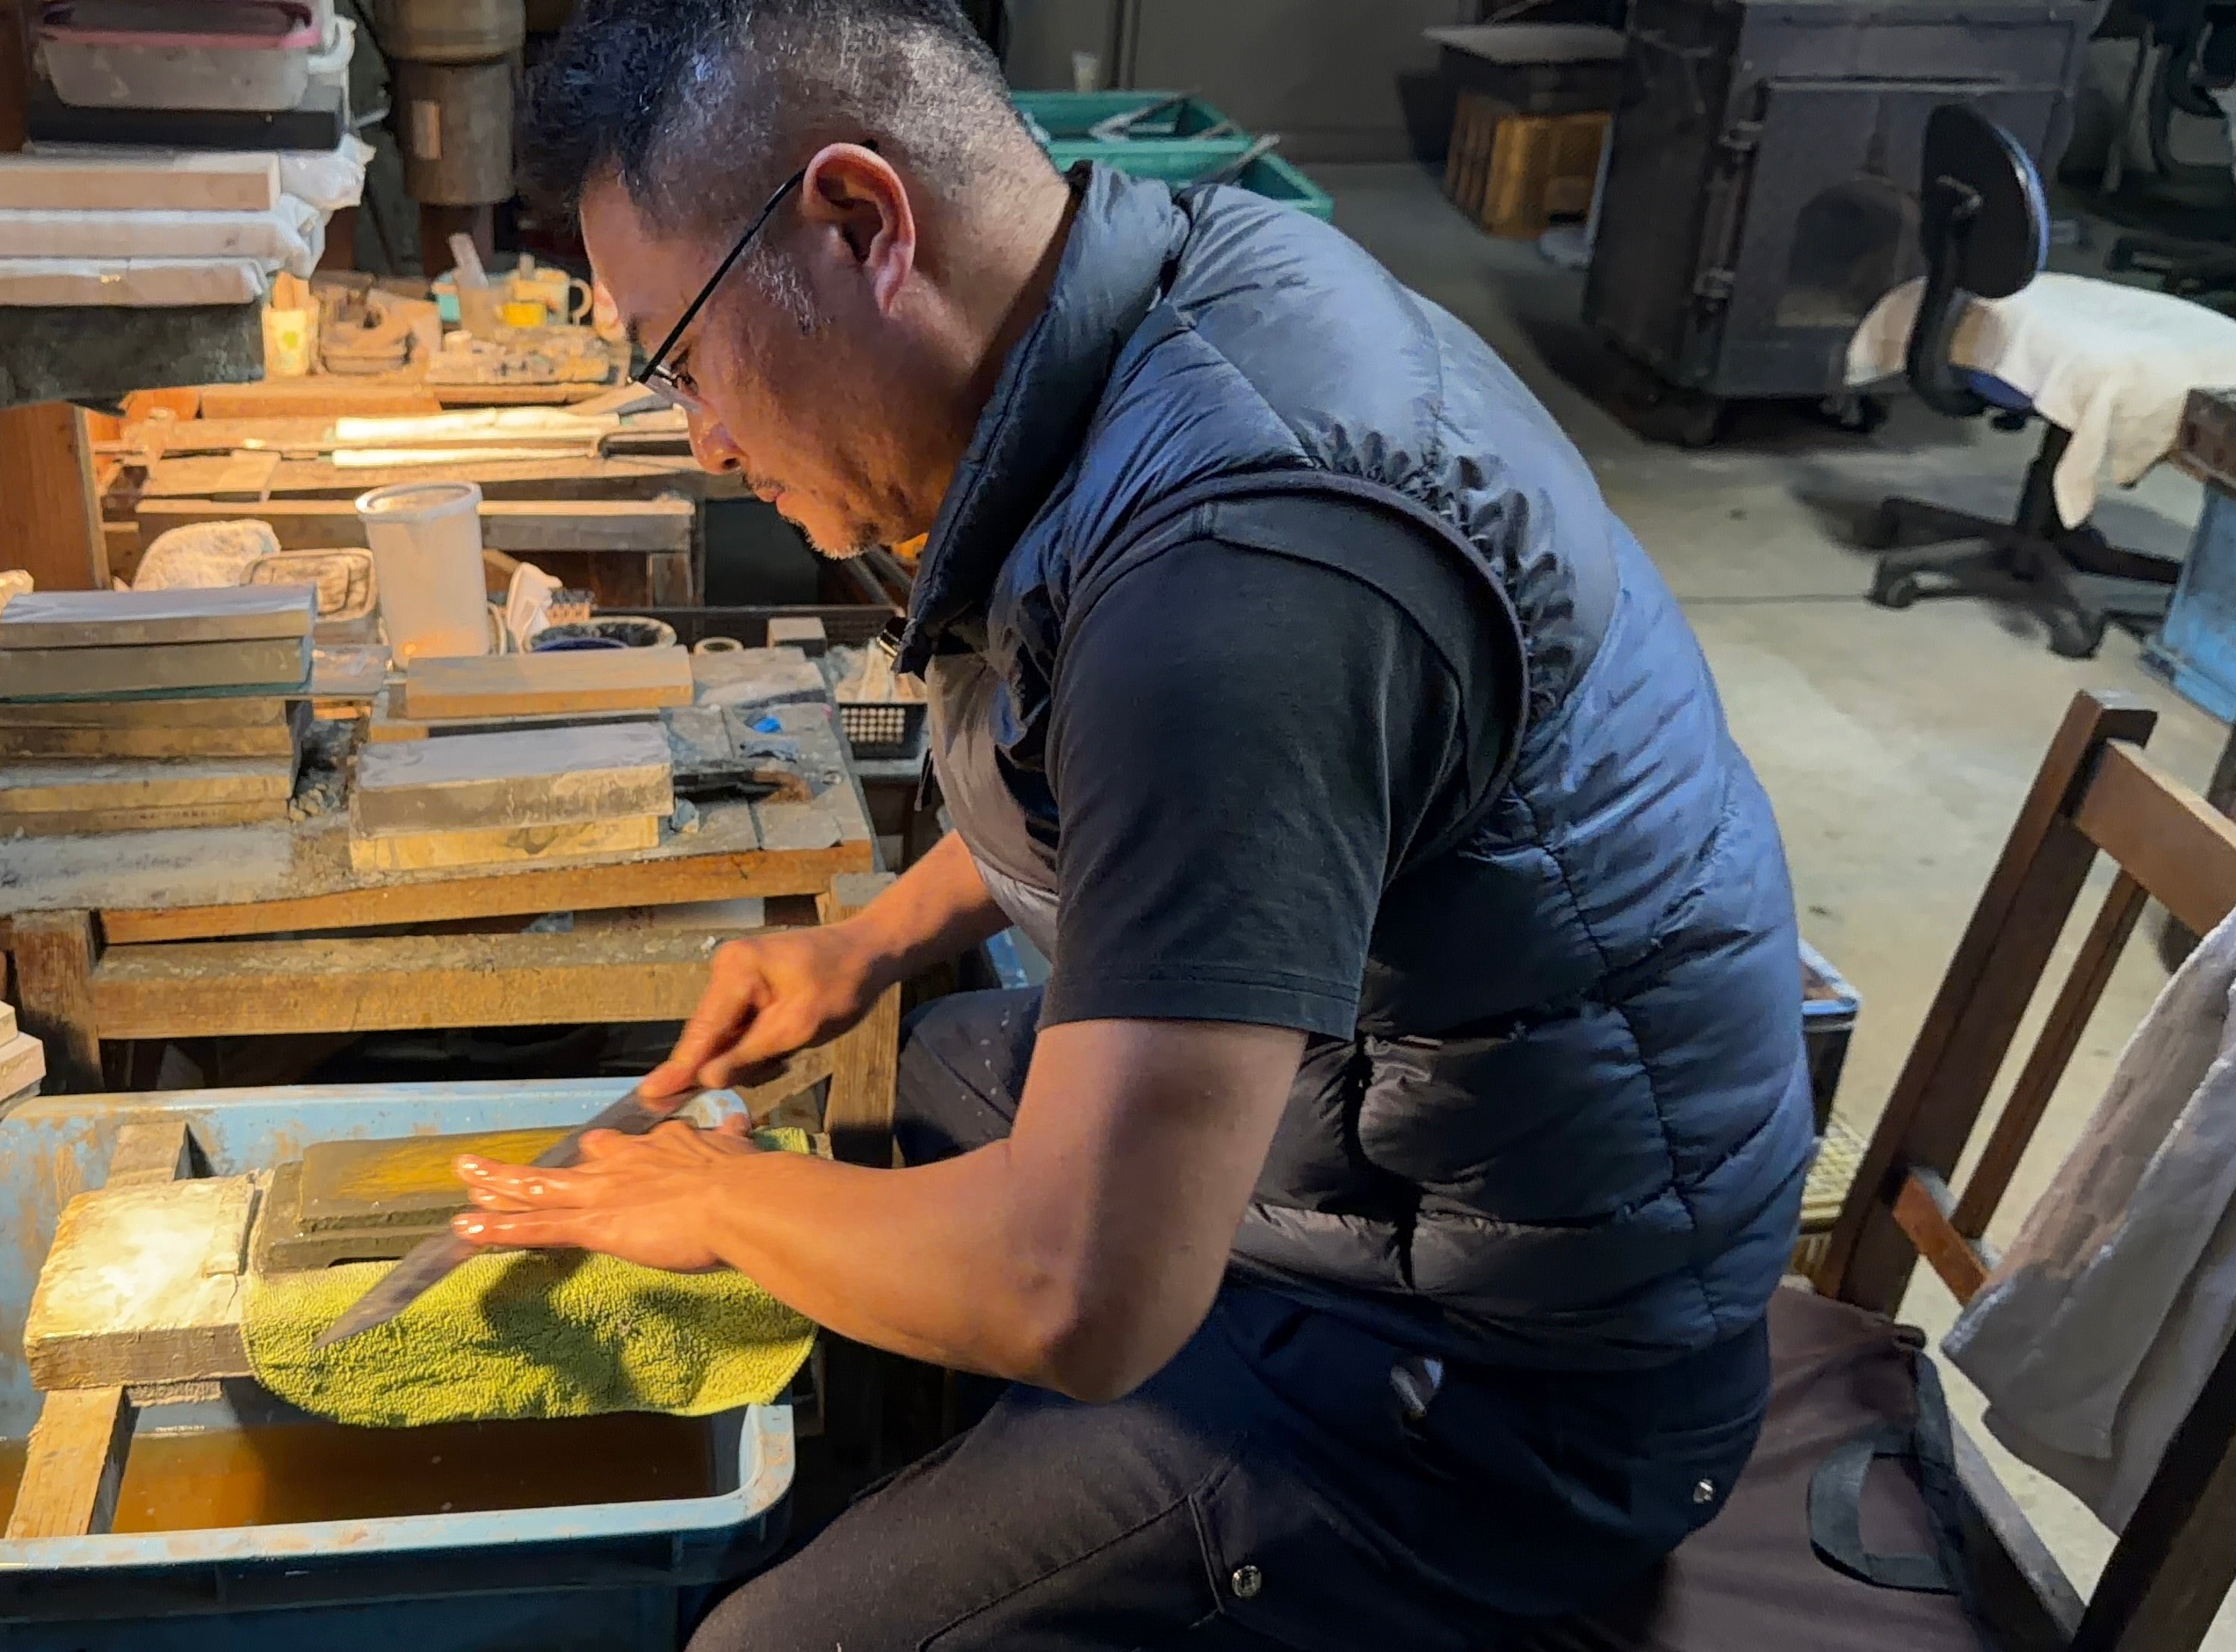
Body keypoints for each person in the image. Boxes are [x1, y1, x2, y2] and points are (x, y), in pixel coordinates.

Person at [446, 3, 1814, 1647]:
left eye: (681, 358)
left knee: (763, 1641)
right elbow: (1133, 786)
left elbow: (1073, 1290)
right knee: (915, 1085)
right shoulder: (1153, 298)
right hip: (1418, 1151)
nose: (709, 443)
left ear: (862, 224)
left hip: (1506, 1380)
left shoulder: (1244, 573)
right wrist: (867, 941)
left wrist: (716, 1203)